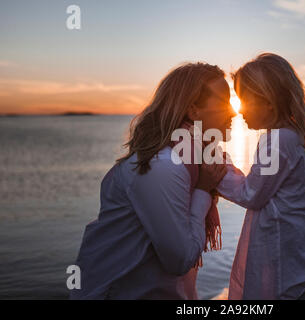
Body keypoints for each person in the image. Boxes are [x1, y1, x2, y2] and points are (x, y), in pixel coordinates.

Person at [70, 62, 235, 299]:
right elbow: (180, 260)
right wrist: (202, 191)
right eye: (223, 102)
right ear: (193, 110)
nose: (234, 111)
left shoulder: (197, 159)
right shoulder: (164, 165)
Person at [217, 53, 305, 300]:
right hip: (296, 255)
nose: (239, 110)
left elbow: (251, 194)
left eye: (245, 100)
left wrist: (217, 168)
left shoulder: (279, 141)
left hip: (288, 262)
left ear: (269, 101)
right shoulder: (287, 137)